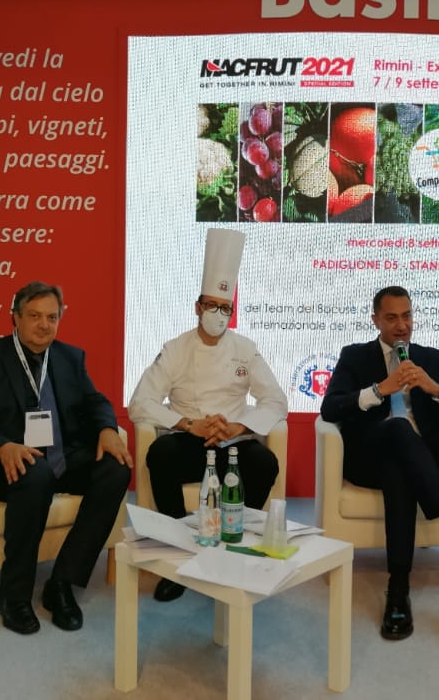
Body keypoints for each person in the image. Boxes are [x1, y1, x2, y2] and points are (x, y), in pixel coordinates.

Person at [0, 281, 132, 635]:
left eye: (52, 317)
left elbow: (95, 401)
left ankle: (61, 583)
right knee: (37, 475)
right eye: (34, 316)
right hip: (14, 465)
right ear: (15, 317)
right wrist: (2, 445)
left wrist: (108, 428)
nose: (44, 325)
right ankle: (13, 594)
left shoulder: (70, 357)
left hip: (62, 458)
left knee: (115, 469)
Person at [319, 285, 439, 640]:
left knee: (398, 470)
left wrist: (434, 388)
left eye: (407, 316)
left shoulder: (434, 359)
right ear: (376, 321)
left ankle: (398, 589)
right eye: (392, 318)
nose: (402, 325)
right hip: (368, 456)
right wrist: (380, 390)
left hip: (424, 461)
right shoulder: (355, 356)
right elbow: (330, 408)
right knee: (397, 428)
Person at [129, 229, 287, 603]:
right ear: (197, 307)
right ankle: (179, 556)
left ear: (232, 311)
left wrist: (238, 426)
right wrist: (189, 424)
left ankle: (232, 549)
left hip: (233, 443)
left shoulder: (245, 349)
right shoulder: (176, 349)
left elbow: (276, 401)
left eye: (225, 308)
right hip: (188, 441)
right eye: (211, 305)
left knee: (264, 463)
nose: (217, 314)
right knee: (159, 455)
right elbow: (140, 403)